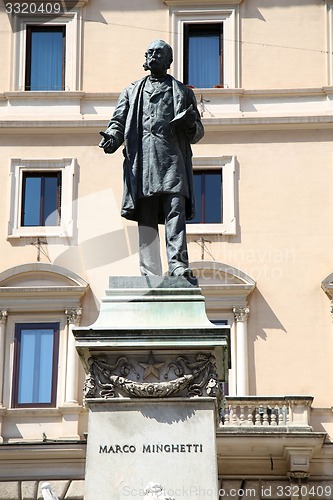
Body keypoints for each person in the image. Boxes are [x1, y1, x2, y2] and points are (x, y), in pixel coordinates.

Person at [99, 40, 204, 277]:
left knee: (174, 213)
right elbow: (118, 122)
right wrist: (112, 139)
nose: (153, 56)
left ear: (169, 61)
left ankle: (177, 264)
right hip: (143, 163)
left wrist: (189, 123)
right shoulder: (131, 91)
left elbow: (197, 132)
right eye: (150, 52)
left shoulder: (184, 93)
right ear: (145, 59)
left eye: (159, 53)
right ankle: (150, 271)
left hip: (173, 162)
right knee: (146, 218)